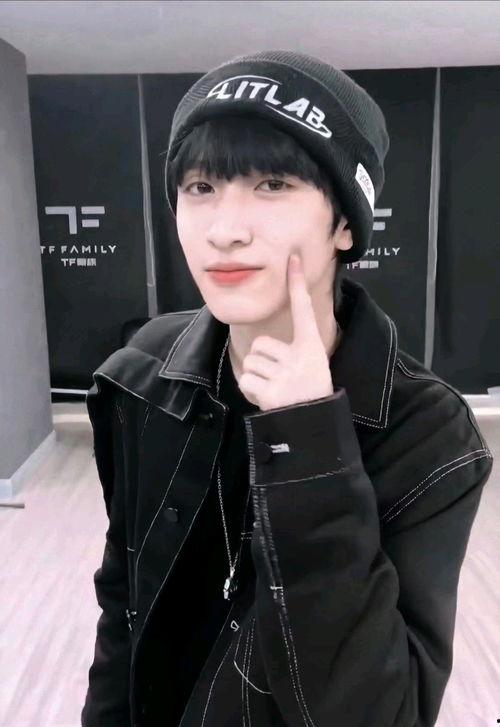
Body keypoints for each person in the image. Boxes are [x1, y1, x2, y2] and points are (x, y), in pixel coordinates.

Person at [81, 50, 494, 727]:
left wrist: (308, 443)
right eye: (200, 187)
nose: (225, 230)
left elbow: (381, 713)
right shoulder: (146, 374)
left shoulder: (425, 432)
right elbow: (124, 606)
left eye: (272, 184)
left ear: (344, 223)